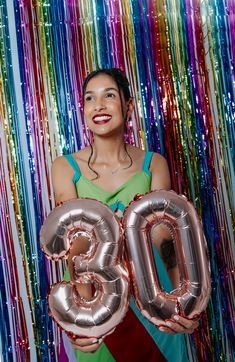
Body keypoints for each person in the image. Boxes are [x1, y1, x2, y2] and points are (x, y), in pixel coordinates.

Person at [52, 68, 199, 362]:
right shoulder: (65, 167)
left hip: (154, 304)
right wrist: (83, 318)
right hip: (97, 306)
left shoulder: (153, 164)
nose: (99, 106)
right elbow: (75, 244)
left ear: (128, 105)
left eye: (109, 95)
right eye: (90, 98)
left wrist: (185, 301)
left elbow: (164, 238)